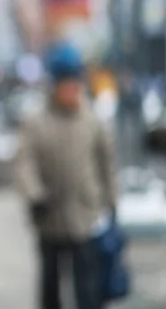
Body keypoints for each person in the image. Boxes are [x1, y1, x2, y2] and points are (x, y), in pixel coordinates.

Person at [14, 43, 117, 309]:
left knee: (88, 287)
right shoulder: (35, 123)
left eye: (76, 85)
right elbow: (24, 163)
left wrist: (112, 202)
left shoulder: (92, 121)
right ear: (55, 87)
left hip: (86, 216)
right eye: (66, 85)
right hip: (49, 217)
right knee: (51, 286)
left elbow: (107, 163)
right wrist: (35, 196)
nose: (72, 91)